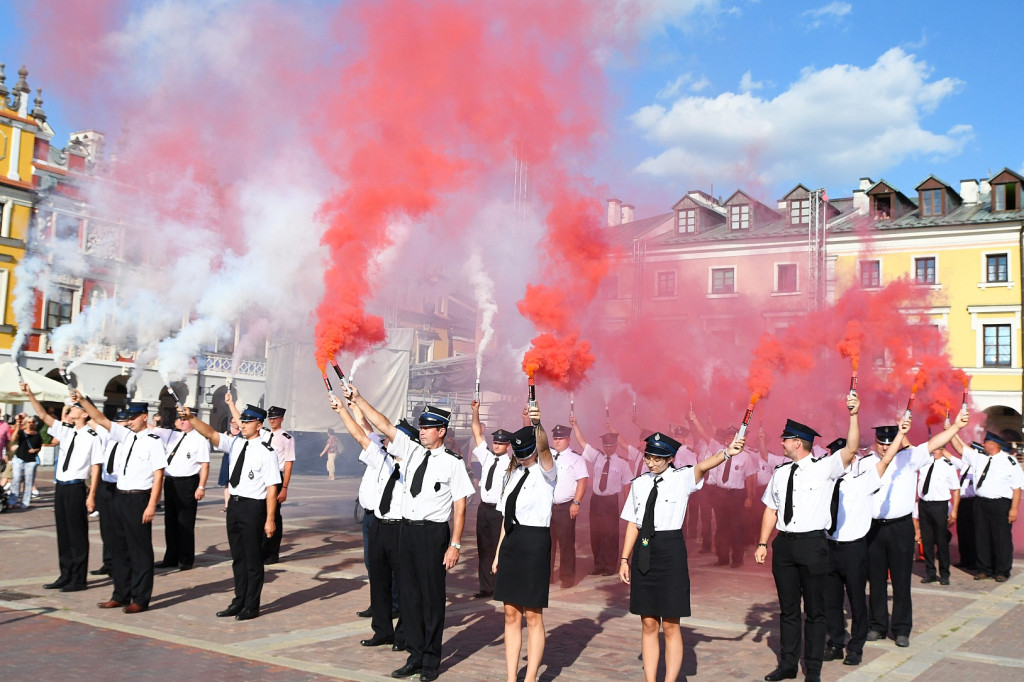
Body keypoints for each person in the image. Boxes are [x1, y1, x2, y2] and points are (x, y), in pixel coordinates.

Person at [351, 386, 473, 682]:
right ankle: (415, 655)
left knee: (432, 600)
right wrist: (358, 399)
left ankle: (431, 660)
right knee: (408, 597)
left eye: (428, 428)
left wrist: (455, 544)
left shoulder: (453, 463)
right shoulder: (412, 450)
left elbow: (460, 507)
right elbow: (384, 426)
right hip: (406, 531)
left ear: (441, 431)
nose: (422, 432)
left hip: (433, 535)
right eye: (421, 427)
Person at [620, 430, 743, 682]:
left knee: (671, 624)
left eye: (657, 458)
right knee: (648, 623)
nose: (651, 462)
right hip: (644, 549)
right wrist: (624, 559)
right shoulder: (639, 483)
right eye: (648, 457)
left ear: (670, 458)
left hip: (670, 550)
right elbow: (634, 522)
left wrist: (726, 453)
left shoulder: (682, 477)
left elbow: (702, 466)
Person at [754, 395, 860, 682]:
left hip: (813, 545)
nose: (781, 443)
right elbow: (771, 509)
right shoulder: (780, 472)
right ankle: (788, 665)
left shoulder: (824, 467)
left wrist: (854, 414)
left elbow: (851, 448)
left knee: (815, 612)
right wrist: (763, 542)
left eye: (785, 439)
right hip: (785, 546)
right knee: (788, 611)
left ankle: (812, 670)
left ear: (797, 442)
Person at [861, 409, 967, 647]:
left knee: (901, 581)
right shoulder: (865, 463)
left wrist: (955, 428)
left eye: (889, 444)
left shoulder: (908, 459)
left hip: (901, 528)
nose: (885, 448)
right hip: (873, 529)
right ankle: (877, 625)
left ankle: (901, 629)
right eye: (881, 443)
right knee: (875, 580)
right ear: (875, 443)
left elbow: (933, 444)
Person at [823, 411, 910, 667]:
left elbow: (887, 459)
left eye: (840, 456)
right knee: (832, 602)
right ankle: (836, 642)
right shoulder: (826, 480)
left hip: (853, 549)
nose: (836, 460)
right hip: (830, 548)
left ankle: (856, 646)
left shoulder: (864, 479)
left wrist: (902, 434)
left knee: (858, 601)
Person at [184, 403, 279, 620]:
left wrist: (270, 519)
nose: (242, 425)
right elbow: (209, 432)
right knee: (238, 557)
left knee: (253, 559)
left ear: (259, 424)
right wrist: (191, 418)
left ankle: (251, 605)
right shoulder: (235, 443)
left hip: (254, 507)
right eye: (241, 421)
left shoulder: (266, 452)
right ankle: (239, 600)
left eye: (247, 422)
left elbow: (272, 488)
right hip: (235, 506)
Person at [330, 393, 408, 650]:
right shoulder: (382, 458)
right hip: (379, 525)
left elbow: (379, 426)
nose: (388, 440)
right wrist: (342, 410)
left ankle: (404, 633)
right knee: (379, 578)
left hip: (401, 527)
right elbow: (361, 435)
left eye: (394, 438)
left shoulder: (417, 462)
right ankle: (382, 630)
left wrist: (360, 401)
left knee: (404, 582)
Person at [74, 392, 165, 613]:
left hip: (139, 498)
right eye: (128, 417)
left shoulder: (153, 441)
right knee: (118, 548)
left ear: (145, 416)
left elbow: (159, 475)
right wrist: (83, 400)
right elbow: (101, 419)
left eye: (134, 417)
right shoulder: (125, 436)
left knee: (140, 551)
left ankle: (140, 598)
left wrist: (152, 504)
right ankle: (120, 594)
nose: (130, 421)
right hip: (119, 497)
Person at [492, 405, 556, 682]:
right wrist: (497, 555)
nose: (522, 457)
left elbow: (544, 450)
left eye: (525, 451)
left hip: (534, 543)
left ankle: (530, 678)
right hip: (512, 543)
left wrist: (538, 424)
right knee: (509, 613)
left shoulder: (546, 472)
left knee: (532, 613)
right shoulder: (512, 474)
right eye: (518, 453)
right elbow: (507, 520)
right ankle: (510, 676)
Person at [24, 385, 104, 592]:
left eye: (75, 408)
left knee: (77, 534)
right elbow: (42, 414)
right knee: (64, 533)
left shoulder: (92, 437)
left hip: (77, 487)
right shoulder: (66, 431)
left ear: (85, 414)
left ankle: (78, 579)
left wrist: (91, 495)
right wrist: (30, 395)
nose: (71, 410)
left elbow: (96, 468)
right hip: (61, 487)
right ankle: (65, 574)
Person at [959, 430, 1024, 582]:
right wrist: (952, 430)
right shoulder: (980, 458)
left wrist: (1014, 509)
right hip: (981, 503)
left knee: (1001, 538)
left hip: (1000, 504)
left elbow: (1017, 488)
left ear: (994, 445)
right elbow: (961, 448)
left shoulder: (1009, 461)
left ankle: (1002, 570)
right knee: (982, 537)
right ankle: (984, 569)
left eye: (986, 442)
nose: (983, 444)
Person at [571, 417, 631, 576]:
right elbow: (582, 443)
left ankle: (610, 566)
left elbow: (627, 485)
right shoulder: (597, 456)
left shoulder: (622, 463)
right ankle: (598, 565)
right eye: (606, 445)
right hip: (596, 500)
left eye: (611, 446)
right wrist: (575, 425)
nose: (608, 448)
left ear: (616, 446)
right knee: (596, 533)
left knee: (610, 534)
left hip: (611, 501)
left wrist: (626, 506)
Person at [155, 410, 211, 570]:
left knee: (185, 521)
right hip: (171, 482)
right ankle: (171, 557)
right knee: (170, 521)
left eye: (185, 420)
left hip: (187, 483)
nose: (182, 422)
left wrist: (201, 487)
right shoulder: (174, 435)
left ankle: (186, 559)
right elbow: (152, 429)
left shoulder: (200, 439)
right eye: (180, 419)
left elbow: (205, 465)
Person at [470, 400, 512, 600]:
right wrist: (476, 412)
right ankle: (486, 587)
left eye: (500, 443)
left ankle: (502, 586)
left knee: (500, 549)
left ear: (508, 445)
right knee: (484, 548)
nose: (496, 445)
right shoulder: (487, 457)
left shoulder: (512, 463)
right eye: (495, 442)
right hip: (484, 509)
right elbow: (477, 433)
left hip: (500, 511)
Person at [547, 422, 588, 588]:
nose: (557, 441)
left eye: (561, 439)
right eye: (555, 438)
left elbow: (582, 481)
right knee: (546, 544)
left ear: (568, 440)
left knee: (566, 545)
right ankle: (547, 576)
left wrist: (576, 502)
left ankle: (567, 577)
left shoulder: (576, 458)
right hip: (548, 508)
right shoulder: (547, 454)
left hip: (565, 507)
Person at [916, 437, 961, 585]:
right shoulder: (923, 462)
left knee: (941, 541)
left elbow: (956, 489)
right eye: (932, 448)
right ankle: (930, 573)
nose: (934, 451)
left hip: (940, 506)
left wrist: (954, 510)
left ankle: (944, 573)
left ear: (942, 450)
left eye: (937, 448)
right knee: (927, 541)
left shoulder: (948, 466)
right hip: (924, 505)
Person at [260, 405, 295, 564]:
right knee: (261, 513)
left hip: (276, 478)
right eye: (270, 418)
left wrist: (285, 488)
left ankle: (272, 553)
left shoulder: (287, 438)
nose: (272, 421)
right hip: (262, 478)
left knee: (274, 515)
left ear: (281, 419)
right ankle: (261, 549)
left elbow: (288, 463)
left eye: (275, 418)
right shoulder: (263, 434)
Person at [7, 414, 41, 510]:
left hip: (31, 461)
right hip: (19, 459)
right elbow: (13, 438)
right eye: (29, 422)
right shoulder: (21, 433)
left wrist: (36, 450)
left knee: (29, 481)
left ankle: (25, 502)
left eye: (32, 422)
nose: (31, 424)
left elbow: (39, 447)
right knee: (16, 478)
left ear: (35, 424)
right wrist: (18, 425)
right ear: (25, 423)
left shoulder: (37, 434)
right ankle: (12, 501)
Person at [219, 419, 241, 512]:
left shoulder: (242, 434)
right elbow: (221, 446)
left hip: (238, 459)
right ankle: (227, 505)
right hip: (227, 459)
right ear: (230, 423)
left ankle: (237, 504)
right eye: (233, 422)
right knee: (227, 483)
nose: (235, 423)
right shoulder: (226, 433)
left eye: (237, 421)